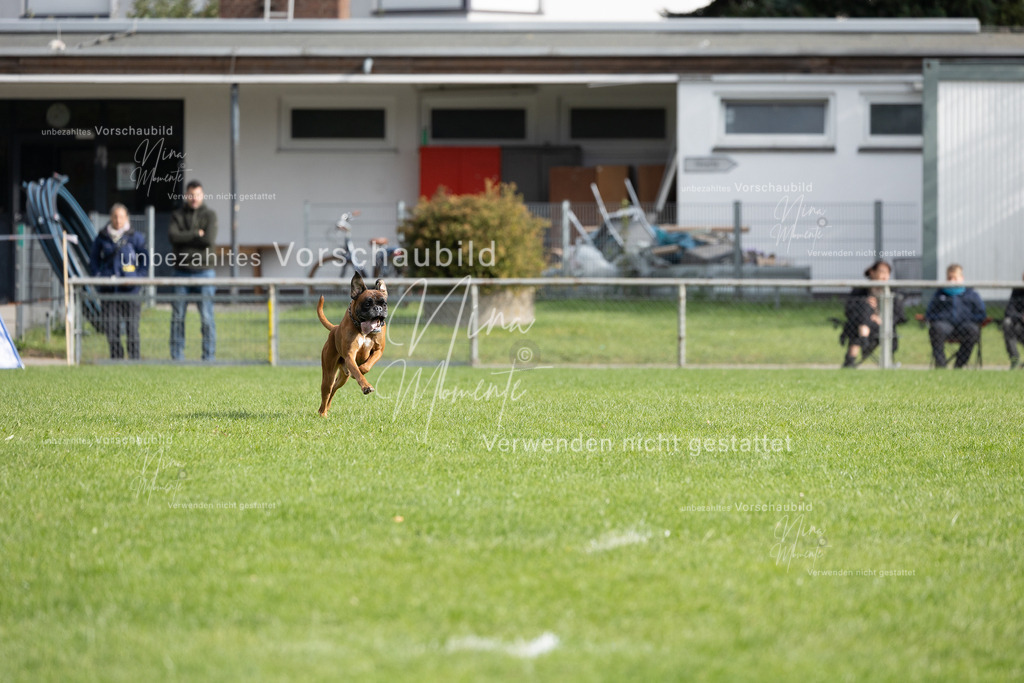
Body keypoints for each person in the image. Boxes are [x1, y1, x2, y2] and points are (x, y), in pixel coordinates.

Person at [89, 203, 147, 360]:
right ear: (110, 218)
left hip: (131, 291)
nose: (118, 220)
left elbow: (145, 260)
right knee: (111, 328)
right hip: (110, 290)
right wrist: (99, 276)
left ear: (126, 218)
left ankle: (134, 359)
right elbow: (94, 260)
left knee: (132, 328)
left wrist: (138, 277)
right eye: (115, 216)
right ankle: (116, 358)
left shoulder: (136, 237)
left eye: (121, 217)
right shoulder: (102, 237)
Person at [168, 179, 217, 361]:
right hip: (181, 271)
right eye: (191, 195)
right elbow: (173, 237)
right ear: (186, 195)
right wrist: (196, 234)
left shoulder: (210, 215)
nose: (194, 198)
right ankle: (177, 357)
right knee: (178, 316)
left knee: (206, 317)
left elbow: (208, 240)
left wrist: (186, 240)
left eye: (197, 195)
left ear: (202, 195)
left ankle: (208, 357)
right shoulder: (177, 215)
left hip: (204, 272)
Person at [841, 259, 906, 368]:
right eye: (882, 272)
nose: (885, 276)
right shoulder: (860, 290)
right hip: (860, 323)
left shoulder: (893, 292)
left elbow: (899, 315)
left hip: (883, 325)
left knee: (863, 325)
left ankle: (861, 341)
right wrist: (867, 310)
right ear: (872, 272)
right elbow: (849, 310)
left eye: (887, 273)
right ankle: (862, 335)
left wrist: (881, 318)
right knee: (865, 305)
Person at [925, 263, 986, 369]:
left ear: (962, 278)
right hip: (945, 326)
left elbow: (981, 314)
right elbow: (930, 313)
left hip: (964, 326)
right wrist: (941, 318)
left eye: (955, 278)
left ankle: (959, 365)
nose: (952, 281)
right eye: (949, 278)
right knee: (936, 328)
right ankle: (941, 365)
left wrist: (969, 319)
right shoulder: (940, 294)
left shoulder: (971, 294)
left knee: (973, 330)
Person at [1002, 272, 1024, 369]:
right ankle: (1015, 358)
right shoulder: (1018, 290)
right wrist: (1021, 317)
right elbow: (1009, 311)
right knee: (1007, 323)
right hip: (1019, 326)